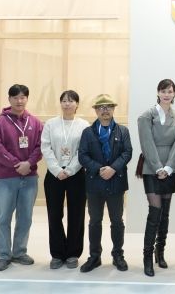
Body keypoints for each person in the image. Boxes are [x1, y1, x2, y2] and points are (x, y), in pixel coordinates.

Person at [0, 83, 43, 272]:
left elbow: (40, 146)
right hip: (6, 178)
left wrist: (29, 163)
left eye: (23, 97)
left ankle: (19, 252)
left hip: (29, 178)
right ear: (9, 99)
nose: (19, 101)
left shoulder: (35, 123)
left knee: (25, 217)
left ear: (27, 99)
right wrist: (16, 164)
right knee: (3, 217)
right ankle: (3, 255)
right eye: (15, 97)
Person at [77, 94, 132, 273]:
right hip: (95, 183)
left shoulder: (122, 131)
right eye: (101, 107)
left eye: (108, 106)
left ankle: (118, 255)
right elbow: (82, 155)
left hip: (116, 182)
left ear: (113, 109)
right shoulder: (88, 132)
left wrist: (113, 168)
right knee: (95, 221)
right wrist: (99, 168)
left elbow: (127, 152)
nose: (105, 110)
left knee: (117, 221)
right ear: (95, 110)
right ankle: (94, 256)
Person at [138, 78, 175, 276]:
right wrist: (158, 167)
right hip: (151, 168)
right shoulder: (146, 116)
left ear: (174, 94)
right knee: (154, 212)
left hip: (170, 169)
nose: (167, 94)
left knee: (165, 213)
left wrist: (169, 167)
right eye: (163, 91)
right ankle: (147, 257)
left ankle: (160, 251)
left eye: (170, 91)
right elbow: (146, 143)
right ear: (158, 93)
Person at [41, 90, 90, 269]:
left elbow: (84, 150)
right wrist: (56, 170)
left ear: (77, 104)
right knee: (54, 214)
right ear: (60, 103)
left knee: (76, 214)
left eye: (71, 101)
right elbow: (45, 147)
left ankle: (73, 253)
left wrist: (69, 170)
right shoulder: (51, 124)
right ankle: (57, 253)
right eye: (64, 101)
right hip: (54, 175)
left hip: (76, 174)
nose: (67, 104)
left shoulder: (84, 125)